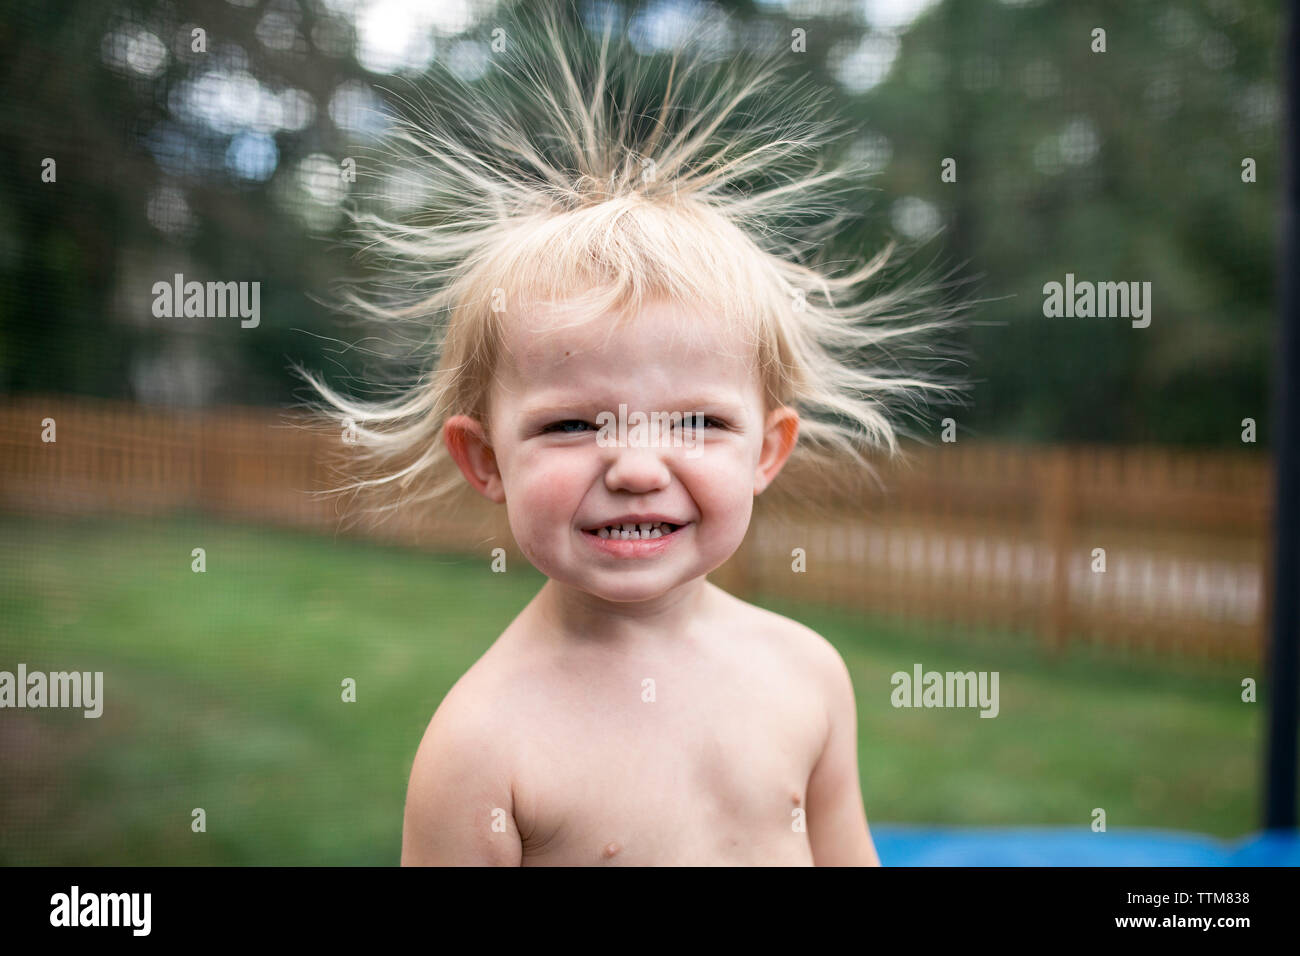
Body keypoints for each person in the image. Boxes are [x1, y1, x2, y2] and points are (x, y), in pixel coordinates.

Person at [304, 3, 957, 865]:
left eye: (697, 421)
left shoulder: (807, 676)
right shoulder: (482, 750)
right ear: (485, 459)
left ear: (767, 449)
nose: (638, 468)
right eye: (572, 424)